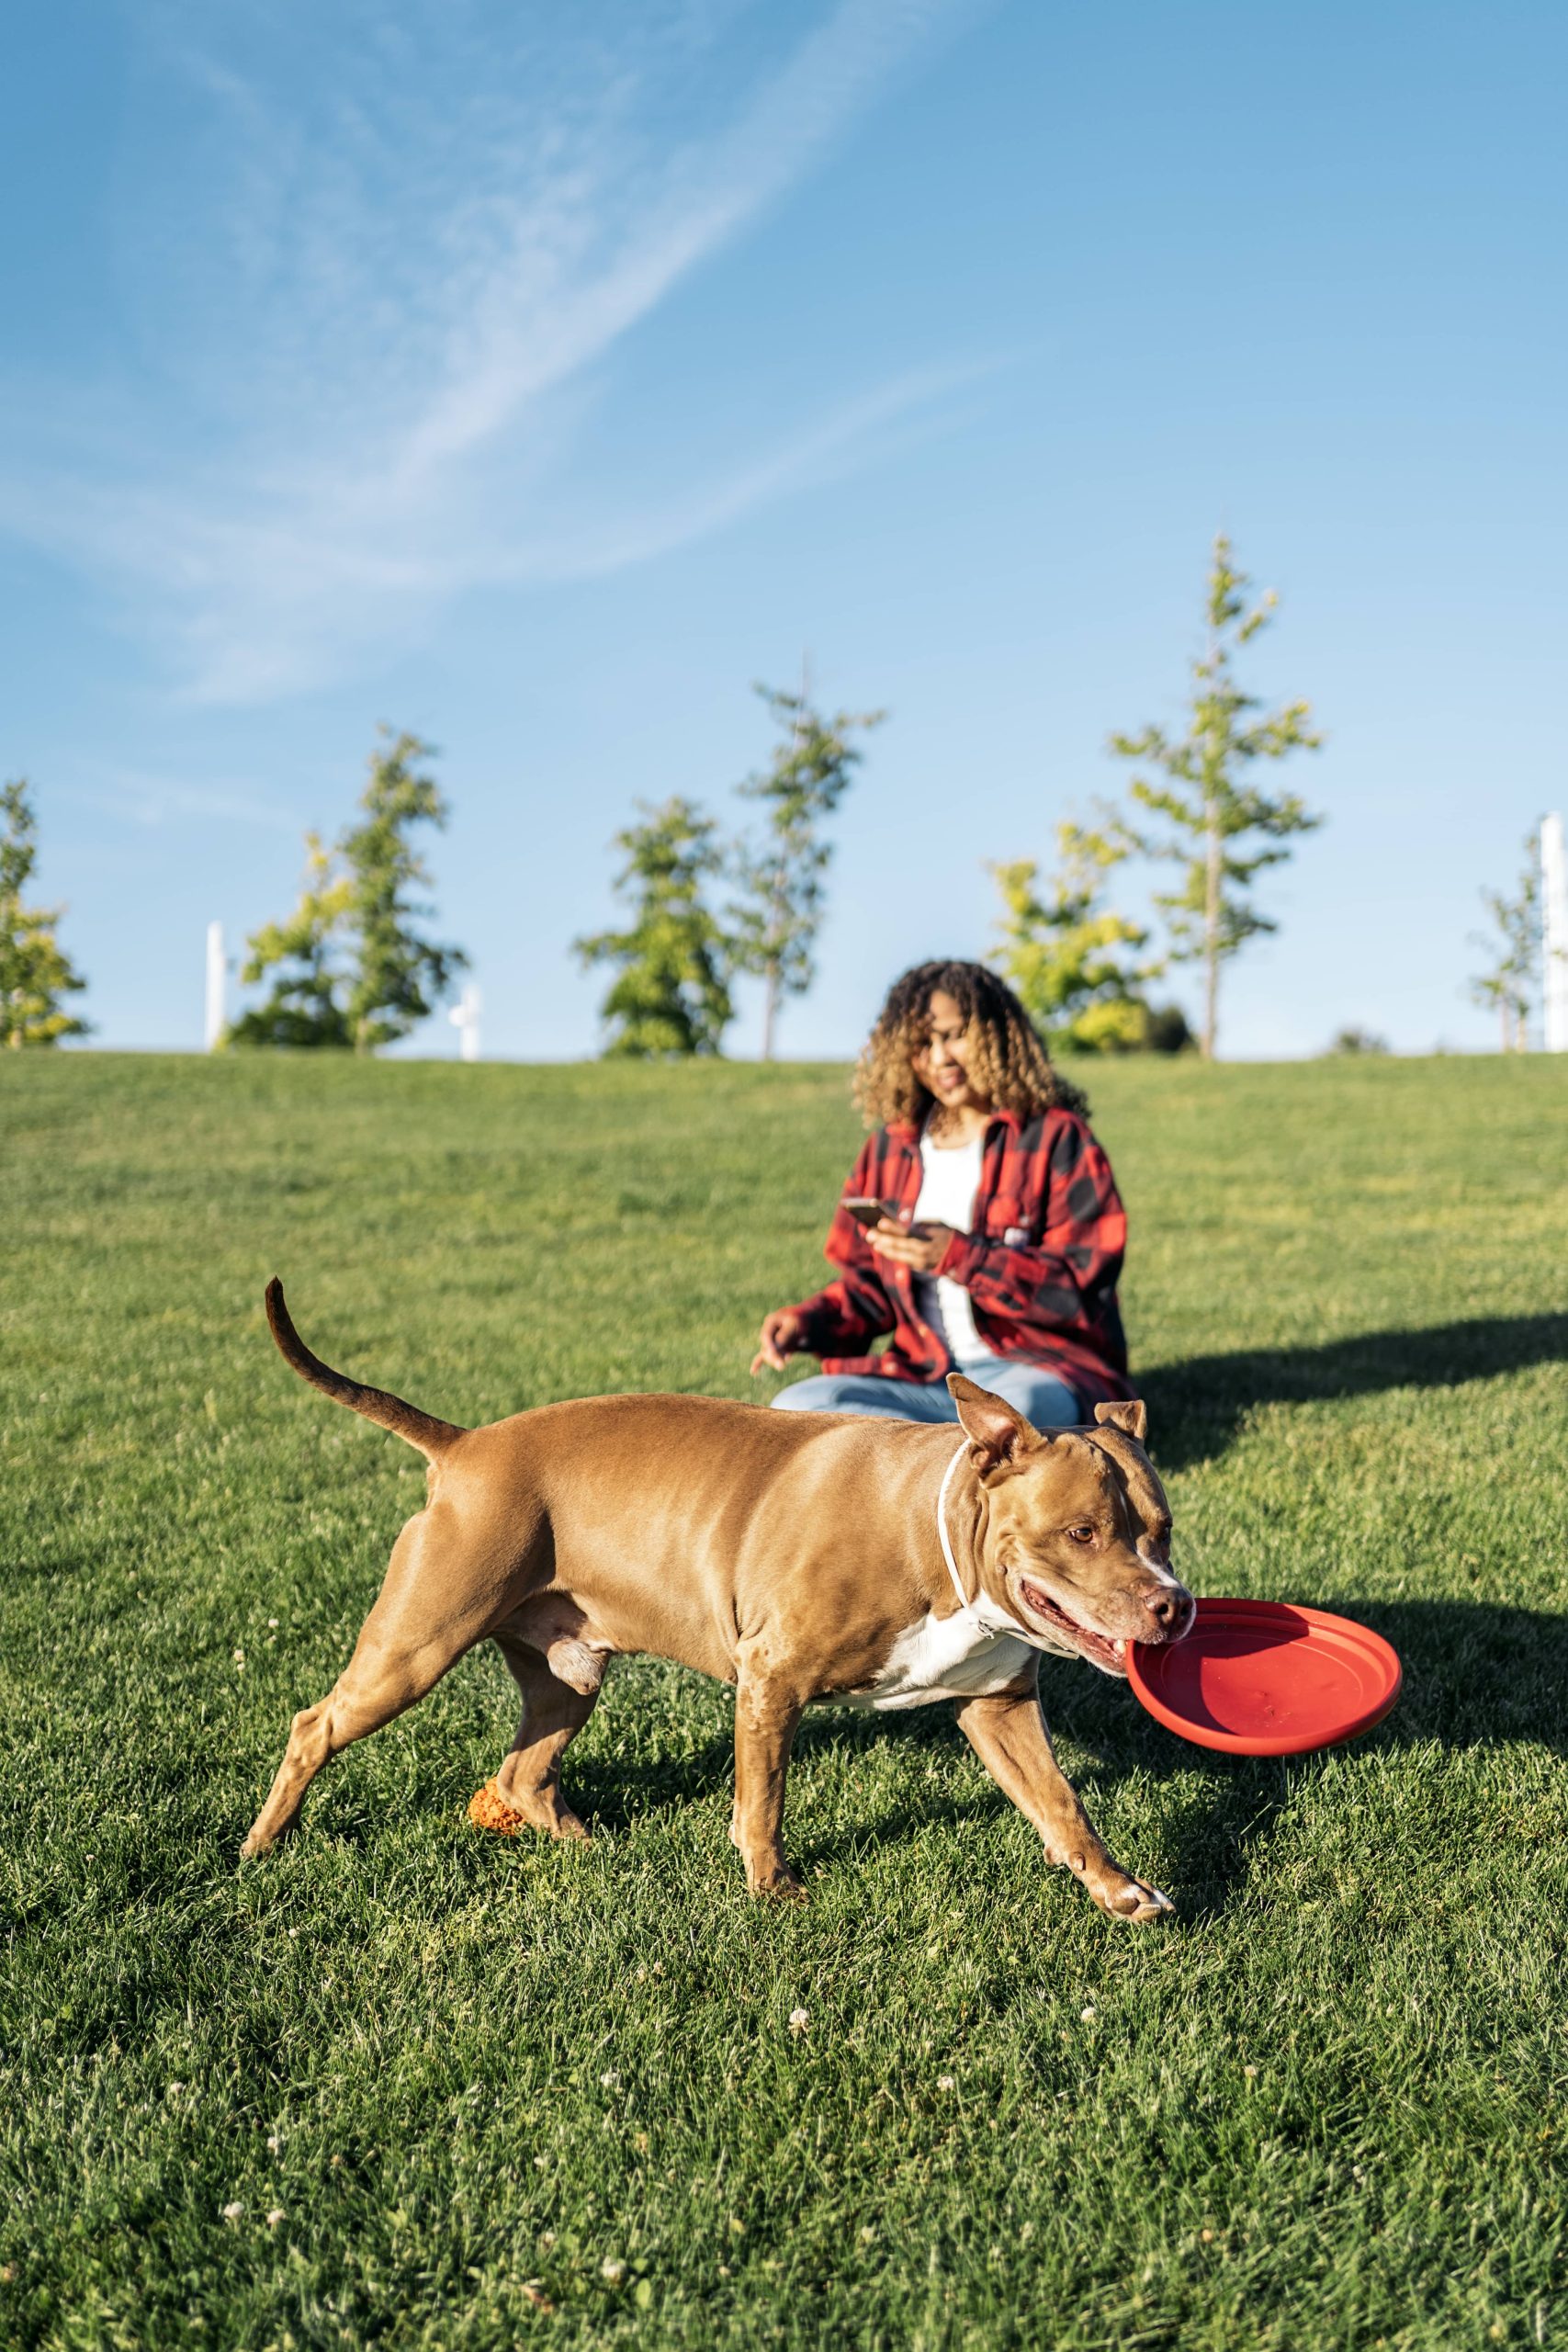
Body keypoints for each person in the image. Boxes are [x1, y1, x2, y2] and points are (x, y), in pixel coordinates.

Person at [751, 960, 1134, 1426]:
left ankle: (926, 1456)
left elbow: (1078, 1290)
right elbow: (868, 1287)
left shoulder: (1056, 1139)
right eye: (921, 1044)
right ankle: (954, 1454)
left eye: (954, 1035)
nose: (939, 1058)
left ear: (996, 1034)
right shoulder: (891, 1148)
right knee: (797, 1407)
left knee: (1017, 1413)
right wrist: (806, 1323)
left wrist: (957, 1255)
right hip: (924, 1377)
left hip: (1037, 1371)